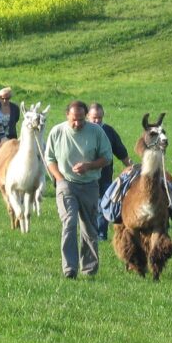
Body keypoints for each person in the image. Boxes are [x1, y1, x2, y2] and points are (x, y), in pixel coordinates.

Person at [45, 101, 112, 279]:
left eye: (81, 119)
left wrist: (89, 166)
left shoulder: (96, 132)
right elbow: (49, 158)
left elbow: (107, 157)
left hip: (90, 185)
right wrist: (60, 179)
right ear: (67, 115)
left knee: (90, 229)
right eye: (74, 120)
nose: (78, 123)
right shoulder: (57, 132)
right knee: (69, 223)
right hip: (66, 183)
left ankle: (89, 269)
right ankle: (70, 269)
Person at [88, 102, 134, 241]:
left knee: (103, 205)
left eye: (100, 118)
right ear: (88, 116)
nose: (97, 121)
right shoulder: (83, 131)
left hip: (105, 177)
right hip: (86, 178)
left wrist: (131, 167)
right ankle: (89, 233)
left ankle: (101, 235)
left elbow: (121, 151)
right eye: (94, 117)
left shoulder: (109, 131)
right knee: (89, 206)